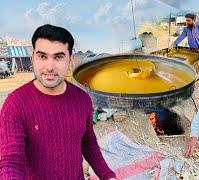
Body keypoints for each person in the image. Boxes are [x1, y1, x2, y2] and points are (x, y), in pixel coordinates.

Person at [0, 24, 116, 179]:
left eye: (58, 57)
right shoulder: (15, 104)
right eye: (42, 56)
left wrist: (108, 175)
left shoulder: (82, 99)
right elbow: (11, 161)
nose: (49, 67)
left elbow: (88, 142)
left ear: (70, 60)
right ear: (32, 57)